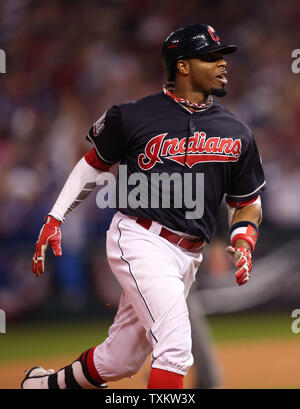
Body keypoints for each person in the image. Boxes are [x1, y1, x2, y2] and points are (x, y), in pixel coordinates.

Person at [22, 23, 265, 389]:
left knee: (120, 359)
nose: (222, 64)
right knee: (176, 348)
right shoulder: (134, 115)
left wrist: (244, 241)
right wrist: (57, 216)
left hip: (188, 255)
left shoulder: (236, 131)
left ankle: (40, 386)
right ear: (183, 65)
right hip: (141, 238)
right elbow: (94, 162)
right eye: (211, 57)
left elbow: (248, 202)